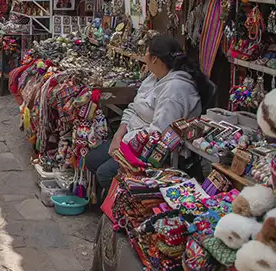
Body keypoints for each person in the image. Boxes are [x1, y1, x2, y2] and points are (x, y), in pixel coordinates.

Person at [86, 34, 214, 194]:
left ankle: (123, 207)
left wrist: (124, 146)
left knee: (104, 173)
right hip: (132, 137)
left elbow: (159, 133)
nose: (143, 56)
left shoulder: (175, 90)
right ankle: (111, 201)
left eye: (146, 52)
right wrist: (119, 135)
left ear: (154, 59)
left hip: (153, 151)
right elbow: (133, 107)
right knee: (92, 159)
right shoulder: (154, 77)